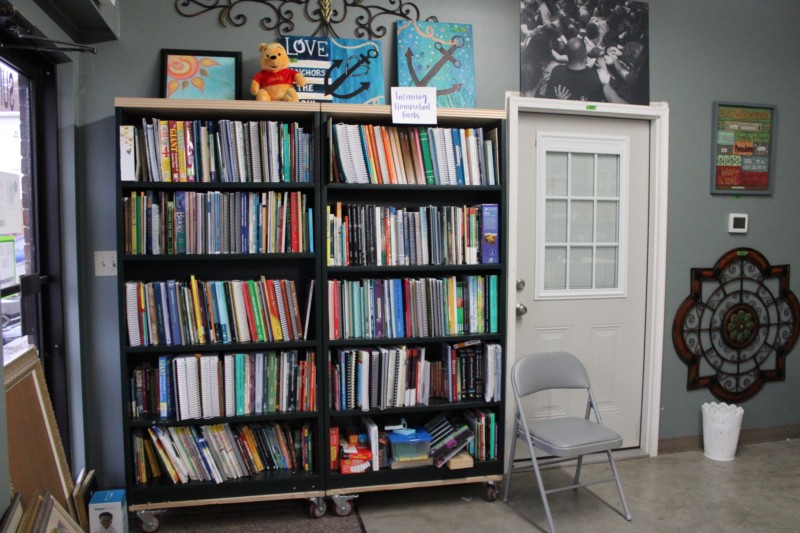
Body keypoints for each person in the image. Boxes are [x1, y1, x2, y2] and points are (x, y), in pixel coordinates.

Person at [545, 37, 625, 103]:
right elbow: (615, 97)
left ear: (567, 55)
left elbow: (548, 99)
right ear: (585, 56)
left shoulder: (556, 71)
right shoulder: (599, 77)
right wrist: (605, 70)